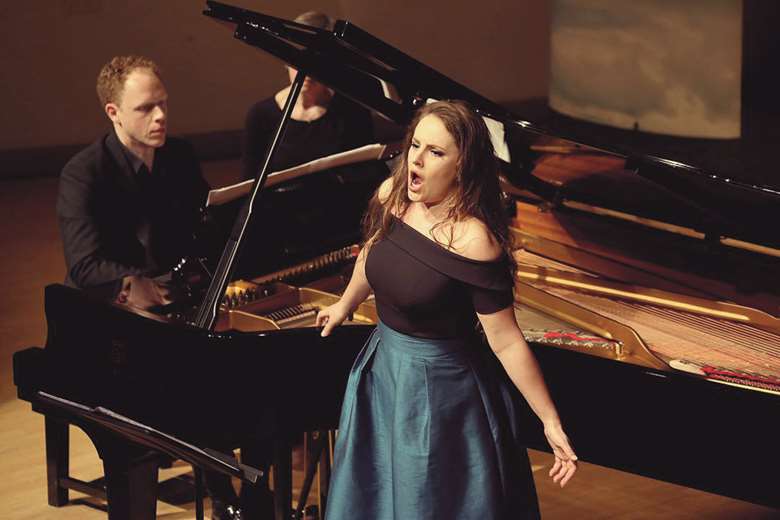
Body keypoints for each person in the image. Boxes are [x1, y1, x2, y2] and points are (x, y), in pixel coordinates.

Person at [316, 100, 578, 519]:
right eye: (415, 145)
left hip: (439, 394)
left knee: (427, 501)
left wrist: (549, 420)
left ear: (462, 165)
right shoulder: (394, 195)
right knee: (376, 493)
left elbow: (506, 341)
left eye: (435, 152)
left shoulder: (474, 240)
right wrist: (345, 303)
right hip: (382, 370)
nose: (415, 160)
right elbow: (372, 254)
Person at [57, 55, 209, 310]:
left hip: (172, 292)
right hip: (109, 306)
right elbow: (85, 266)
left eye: (163, 104)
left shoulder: (180, 154)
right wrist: (136, 285)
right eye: (145, 108)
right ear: (113, 112)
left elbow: (206, 222)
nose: (160, 116)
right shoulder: (83, 173)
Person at [241, 11, 374, 181]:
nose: (306, 72)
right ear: (286, 60)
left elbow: (367, 177)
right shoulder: (260, 115)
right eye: (299, 60)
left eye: (317, 63)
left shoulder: (352, 111)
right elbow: (247, 183)